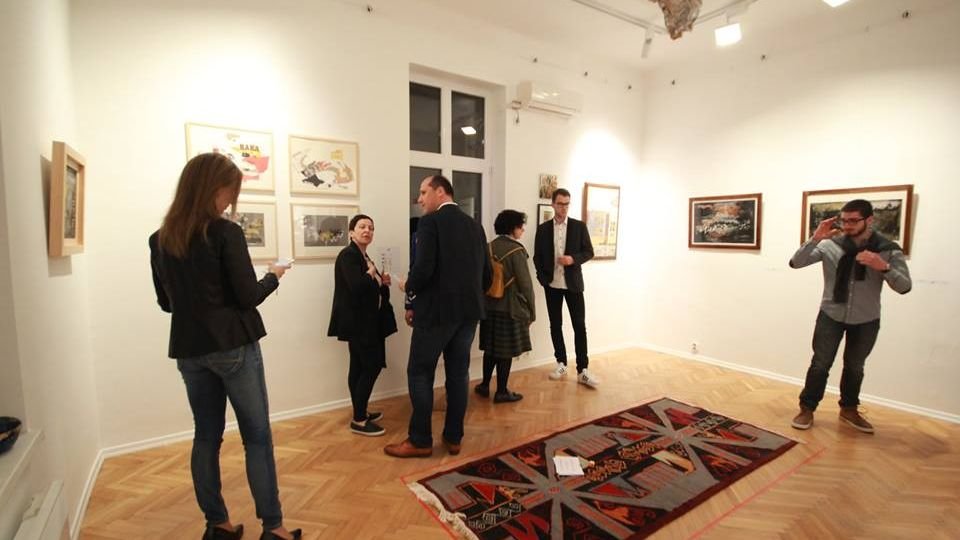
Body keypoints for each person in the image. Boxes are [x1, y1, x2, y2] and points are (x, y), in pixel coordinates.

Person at [149, 153, 301, 540]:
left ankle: (217, 524)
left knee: (206, 436)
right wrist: (274, 275)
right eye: (231, 191)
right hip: (233, 346)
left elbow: (166, 303)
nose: (232, 199)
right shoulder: (224, 232)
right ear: (216, 188)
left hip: (189, 350)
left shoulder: (160, 238)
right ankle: (274, 528)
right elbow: (248, 296)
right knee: (257, 437)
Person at [384, 175, 491, 458]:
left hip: (436, 314)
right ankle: (454, 438)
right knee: (458, 373)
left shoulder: (430, 222)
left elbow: (423, 268)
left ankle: (420, 440)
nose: (419, 199)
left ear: (440, 192)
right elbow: (488, 275)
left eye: (423, 192)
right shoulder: (476, 226)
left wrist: (408, 287)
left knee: (419, 372)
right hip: (469, 313)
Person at [789, 199, 911, 434]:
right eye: (844, 220)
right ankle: (807, 408)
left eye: (853, 220)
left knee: (855, 367)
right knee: (820, 364)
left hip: (866, 319)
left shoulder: (887, 248)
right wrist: (815, 238)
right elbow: (796, 263)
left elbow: (904, 286)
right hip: (830, 315)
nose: (847, 225)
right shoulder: (829, 245)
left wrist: (882, 266)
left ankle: (849, 409)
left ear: (869, 220)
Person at [328, 214, 398, 437]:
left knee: (359, 367)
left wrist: (382, 283)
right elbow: (357, 287)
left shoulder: (364, 256)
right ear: (351, 232)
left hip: (367, 322)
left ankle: (361, 411)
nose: (367, 230)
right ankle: (359, 419)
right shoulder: (348, 255)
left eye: (371, 227)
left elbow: (373, 291)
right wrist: (370, 275)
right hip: (359, 323)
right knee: (371, 366)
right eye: (362, 227)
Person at [533, 188, 599, 387]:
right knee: (555, 325)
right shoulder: (543, 229)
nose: (564, 208)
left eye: (567, 204)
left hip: (573, 285)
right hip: (552, 285)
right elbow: (537, 257)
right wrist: (542, 279)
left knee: (579, 325)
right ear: (553, 204)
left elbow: (589, 252)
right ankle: (561, 363)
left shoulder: (579, 227)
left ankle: (582, 370)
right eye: (560, 204)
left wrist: (573, 259)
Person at [476, 209, 536, 403]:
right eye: (521, 226)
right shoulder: (516, 251)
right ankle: (501, 391)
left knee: (490, 349)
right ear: (513, 228)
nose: (523, 230)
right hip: (509, 308)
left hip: (489, 307)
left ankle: (484, 385)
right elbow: (526, 285)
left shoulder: (488, 247)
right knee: (505, 351)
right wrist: (532, 312)